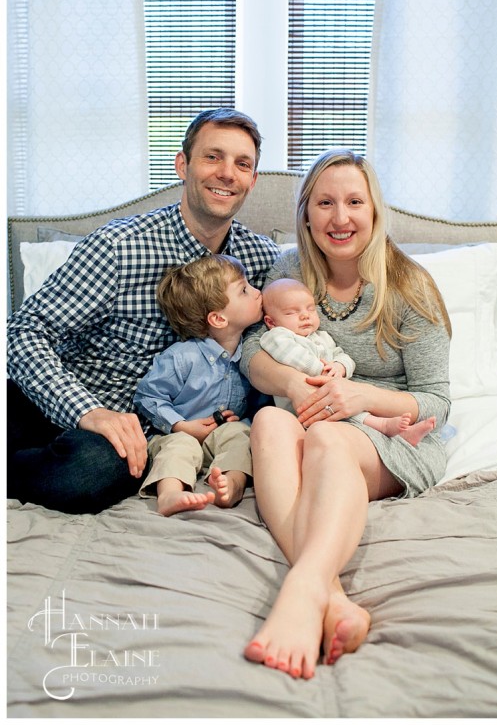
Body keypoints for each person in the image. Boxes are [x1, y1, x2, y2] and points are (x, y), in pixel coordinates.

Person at [237, 149, 452, 680]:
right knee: (267, 421)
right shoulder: (289, 271)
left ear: (374, 211)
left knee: (330, 442)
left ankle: (302, 590)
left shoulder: (410, 285)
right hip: (309, 412)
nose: (340, 218)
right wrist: (290, 382)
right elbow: (251, 353)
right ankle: (334, 599)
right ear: (306, 213)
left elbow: (436, 401)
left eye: (355, 202)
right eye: (325, 203)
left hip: (387, 432)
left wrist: (360, 396)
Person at [7, 108, 280, 514]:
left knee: (97, 470)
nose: (227, 173)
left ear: (253, 180)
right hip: (64, 398)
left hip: (139, 435)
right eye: (212, 157)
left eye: (242, 164)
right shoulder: (120, 246)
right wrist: (87, 411)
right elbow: (23, 332)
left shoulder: (260, 261)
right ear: (182, 164)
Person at [133, 255, 264, 516]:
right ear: (218, 319)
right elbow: (147, 396)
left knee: (241, 435)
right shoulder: (182, 357)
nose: (258, 292)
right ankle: (170, 494)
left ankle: (231, 486)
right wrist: (181, 425)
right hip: (178, 434)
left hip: (220, 438)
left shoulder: (252, 353)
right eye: (244, 290)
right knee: (181, 445)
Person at [259, 277, 436, 446]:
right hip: (304, 407)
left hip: (333, 394)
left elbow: (342, 355)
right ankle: (382, 426)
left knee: (347, 405)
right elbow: (293, 357)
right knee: (342, 408)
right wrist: (323, 371)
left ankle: (396, 433)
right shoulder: (276, 336)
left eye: (310, 309)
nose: (305, 316)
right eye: (292, 312)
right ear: (271, 321)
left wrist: (340, 366)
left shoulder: (321, 336)